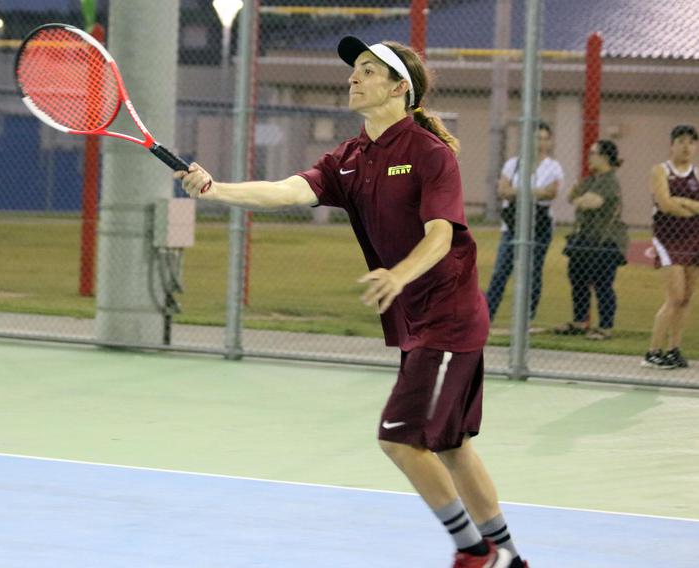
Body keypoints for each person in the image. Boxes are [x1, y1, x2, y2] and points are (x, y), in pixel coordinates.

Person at [176, 36, 526, 568]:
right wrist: (214, 189)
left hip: (447, 320)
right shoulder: (349, 159)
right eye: (353, 70)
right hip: (421, 321)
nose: (353, 78)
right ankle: (514, 558)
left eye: (367, 70)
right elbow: (289, 190)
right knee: (451, 445)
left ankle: (477, 553)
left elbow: (440, 236)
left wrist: (399, 274)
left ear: (399, 88)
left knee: (399, 438)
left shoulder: (430, 155)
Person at [485, 122, 564, 321]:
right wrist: (535, 192)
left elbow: (551, 193)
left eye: (546, 138)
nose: (541, 143)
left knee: (533, 273)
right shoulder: (514, 164)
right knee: (501, 271)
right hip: (513, 225)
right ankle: (486, 316)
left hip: (540, 226)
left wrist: (518, 192)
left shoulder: (553, 167)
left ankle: (526, 319)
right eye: (538, 138)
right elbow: (503, 190)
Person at [553, 140, 628, 340]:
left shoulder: (609, 180)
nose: (589, 156)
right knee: (578, 280)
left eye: (593, 153)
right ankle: (579, 321)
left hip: (604, 241)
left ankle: (605, 327)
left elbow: (592, 202)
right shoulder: (592, 179)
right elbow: (571, 196)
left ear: (604, 157)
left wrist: (580, 199)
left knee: (603, 283)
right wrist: (579, 196)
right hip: (584, 240)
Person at [643, 124, 699, 369]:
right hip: (668, 238)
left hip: (694, 238)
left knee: (686, 298)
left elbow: (687, 206)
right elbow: (665, 204)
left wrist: (683, 203)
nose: (686, 146)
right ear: (672, 145)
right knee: (675, 296)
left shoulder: (697, 173)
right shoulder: (660, 170)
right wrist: (688, 207)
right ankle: (653, 351)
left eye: (691, 142)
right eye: (681, 141)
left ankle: (674, 349)